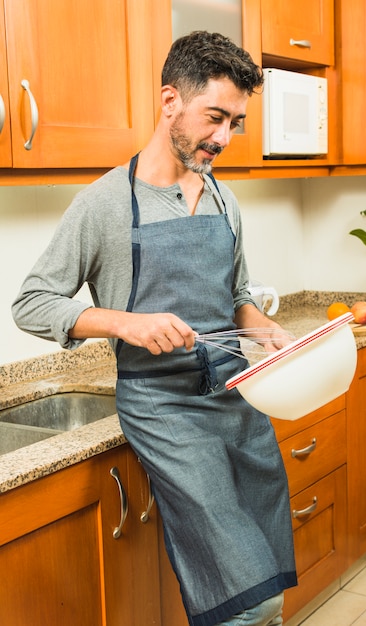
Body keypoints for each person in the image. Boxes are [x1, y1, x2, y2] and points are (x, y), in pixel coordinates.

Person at [12, 31, 297, 626]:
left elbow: (236, 297)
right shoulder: (106, 203)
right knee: (240, 595)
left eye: (235, 123)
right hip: (164, 410)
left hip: (235, 397)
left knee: (267, 574)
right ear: (170, 102)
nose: (223, 138)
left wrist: (262, 327)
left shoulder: (223, 199)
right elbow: (31, 303)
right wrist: (124, 323)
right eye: (215, 117)